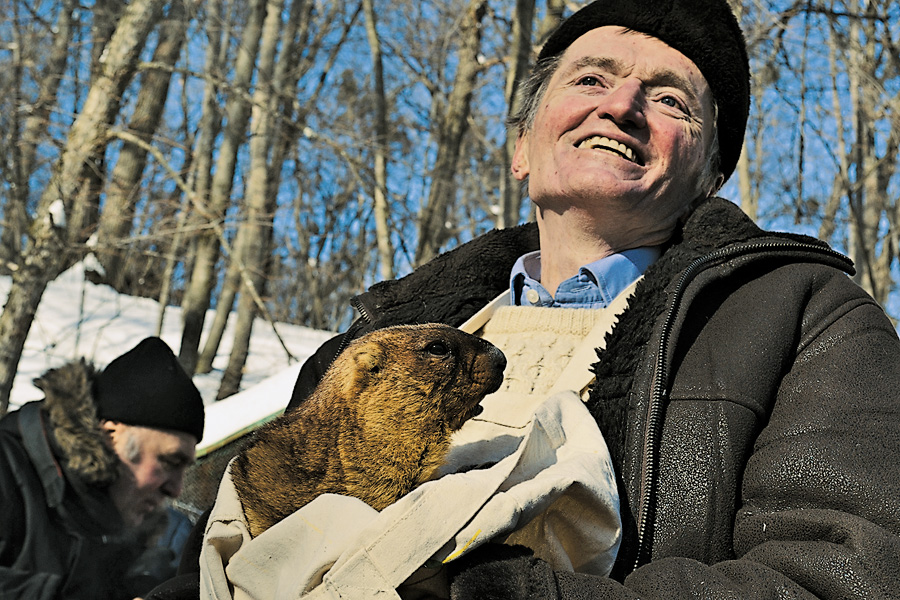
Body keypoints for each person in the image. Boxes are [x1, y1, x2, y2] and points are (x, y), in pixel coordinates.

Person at [283, 0, 900, 597]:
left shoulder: (813, 322)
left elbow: (844, 576)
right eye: (590, 79)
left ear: (709, 178)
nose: (620, 106)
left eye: (668, 100)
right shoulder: (374, 340)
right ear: (522, 148)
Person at [0, 336, 205, 600]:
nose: (176, 488)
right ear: (110, 436)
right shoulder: (6, 472)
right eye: (168, 462)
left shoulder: (134, 532)